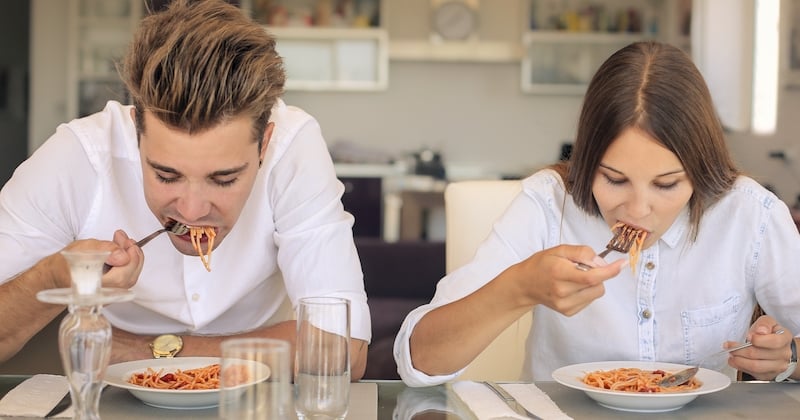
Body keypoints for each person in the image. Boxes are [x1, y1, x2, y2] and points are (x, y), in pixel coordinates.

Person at [0, 0, 370, 380]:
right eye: (165, 175)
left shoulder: (293, 147)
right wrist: (53, 276)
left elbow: (345, 348)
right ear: (135, 131)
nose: (191, 211)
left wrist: (148, 352)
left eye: (223, 179)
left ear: (264, 145)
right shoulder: (78, 155)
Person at [394, 41, 800, 386]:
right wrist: (521, 288)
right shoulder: (549, 203)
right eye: (614, 180)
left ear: (701, 170)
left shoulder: (750, 214)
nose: (639, 211)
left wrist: (790, 355)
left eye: (666, 184)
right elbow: (419, 363)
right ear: (587, 163)